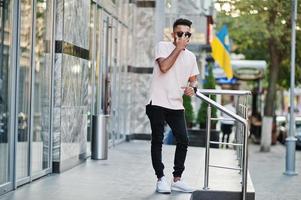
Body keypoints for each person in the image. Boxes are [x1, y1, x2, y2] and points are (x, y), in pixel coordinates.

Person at [145, 18, 199, 194]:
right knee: (158, 140)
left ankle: (177, 179)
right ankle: (160, 178)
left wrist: (193, 88)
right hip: (158, 102)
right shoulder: (163, 46)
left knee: (183, 139)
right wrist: (178, 47)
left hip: (176, 104)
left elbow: (194, 80)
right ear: (173, 34)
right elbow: (164, 67)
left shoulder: (191, 57)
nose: (184, 36)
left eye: (187, 34)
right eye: (180, 33)